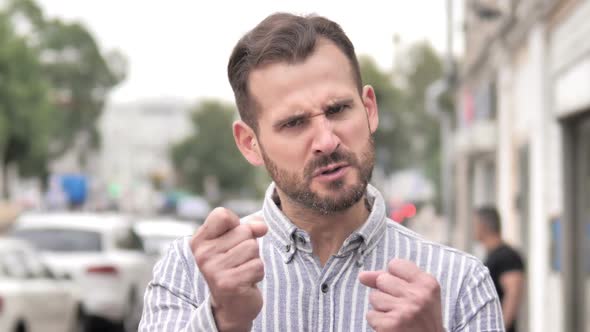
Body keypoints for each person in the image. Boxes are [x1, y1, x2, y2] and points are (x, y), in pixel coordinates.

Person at [139, 13, 504, 332]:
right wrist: (224, 320)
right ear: (250, 143)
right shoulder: (189, 273)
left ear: (369, 109)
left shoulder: (459, 283)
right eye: (295, 123)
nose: (327, 141)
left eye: (338, 109)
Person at [474, 206, 525, 332]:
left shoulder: (507, 256)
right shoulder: (491, 255)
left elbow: (513, 295)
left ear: (482, 226)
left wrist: (500, 328)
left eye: (474, 224)